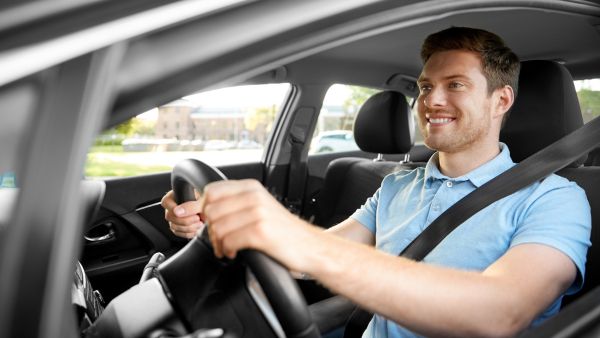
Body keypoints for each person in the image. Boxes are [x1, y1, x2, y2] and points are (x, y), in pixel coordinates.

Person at [161, 27, 591, 337]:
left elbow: (502, 314)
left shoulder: (554, 199)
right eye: (425, 87)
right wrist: (216, 228)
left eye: (454, 85)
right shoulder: (397, 185)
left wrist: (298, 238)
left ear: (501, 100)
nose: (430, 100)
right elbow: (303, 259)